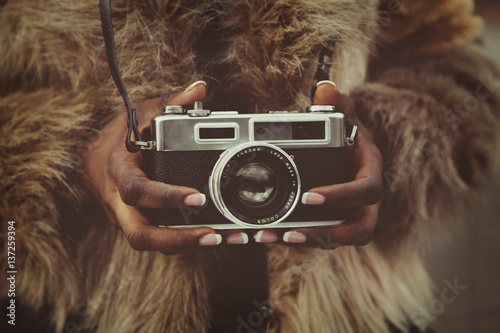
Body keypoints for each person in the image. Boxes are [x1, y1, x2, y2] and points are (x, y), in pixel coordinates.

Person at [1, 0, 499, 332]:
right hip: (78, 299)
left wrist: (382, 144)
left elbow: (460, 64)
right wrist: (74, 158)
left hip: (345, 300)